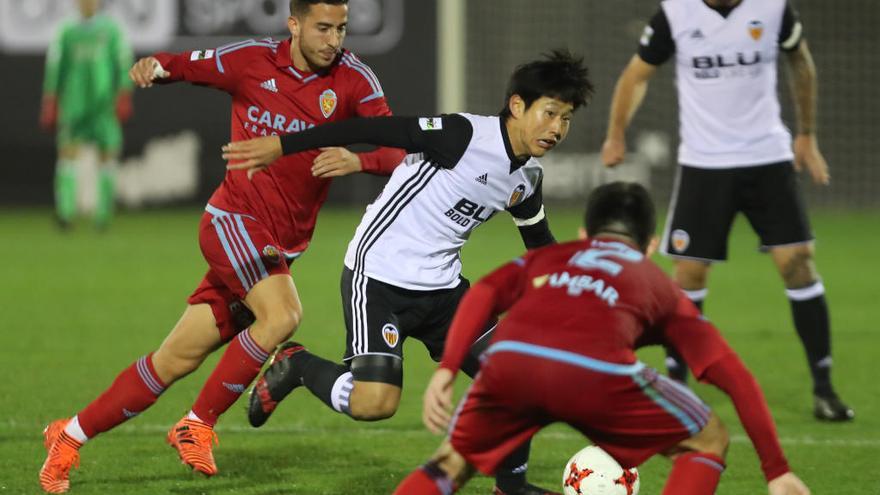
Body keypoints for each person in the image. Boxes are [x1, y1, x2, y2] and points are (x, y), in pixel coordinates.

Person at [38, 1, 406, 493]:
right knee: (282, 316)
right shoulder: (253, 60)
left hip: (279, 244)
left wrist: (359, 162)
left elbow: (400, 148)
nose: (333, 39)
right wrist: (157, 67)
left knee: (175, 359)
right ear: (293, 25)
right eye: (322, 28)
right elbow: (189, 65)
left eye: (341, 28)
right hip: (234, 221)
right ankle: (197, 423)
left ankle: (68, 435)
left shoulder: (355, 80)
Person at [222, 50, 594, 495]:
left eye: (566, 119)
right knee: (374, 404)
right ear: (518, 106)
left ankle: (510, 489)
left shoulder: (526, 179)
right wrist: (283, 145)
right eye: (550, 113)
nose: (557, 129)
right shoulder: (462, 134)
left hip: (444, 295)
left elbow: (541, 248)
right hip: (379, 278)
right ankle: (298, 365)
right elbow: (370, 129)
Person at [392, 181, 811, 495]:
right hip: (595, 373)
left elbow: (483, 292)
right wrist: (776, 469)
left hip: (511, 364)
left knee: (450, 464)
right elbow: (733, 375)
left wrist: (448, 368)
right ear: (650, 245)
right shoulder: (660, 286)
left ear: (583, 235)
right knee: (708, 437)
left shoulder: (548, 256)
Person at [600, 0, 853, 421]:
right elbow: (636, 75)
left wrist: (806, 134)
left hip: (767, 159)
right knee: (689, 274)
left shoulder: (772, 8)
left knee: (798, 266)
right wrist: (615, 134)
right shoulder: (675, 14)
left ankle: (824, 388)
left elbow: (801, 61)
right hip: (704, 164)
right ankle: (676, 390)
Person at [40, 0, 133, 230]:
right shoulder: (66, 32)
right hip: (74, 105)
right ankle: (65, 213)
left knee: (107, 156)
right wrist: (51, 99)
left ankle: (103, 216)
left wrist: (124, 92)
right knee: (68, 155)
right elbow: (55, 67)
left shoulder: (111, 30)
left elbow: (121, 62)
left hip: (103, 106)